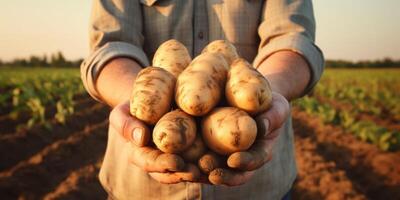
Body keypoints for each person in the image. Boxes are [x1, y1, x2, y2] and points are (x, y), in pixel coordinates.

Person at [80, 0, 324, 199]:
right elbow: (111, 44)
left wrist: (269, 93)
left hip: (258, 189)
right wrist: (137, 100)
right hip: (140, 190)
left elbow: (291, 38)